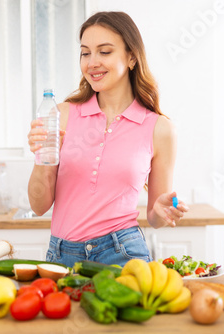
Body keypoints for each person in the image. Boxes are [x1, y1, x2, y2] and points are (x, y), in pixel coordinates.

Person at [27, 11, 188, 268]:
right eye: (85, 52)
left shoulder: (160, 129)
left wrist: (159, 210)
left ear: (132, 57)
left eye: (104, 52)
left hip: (123, 252)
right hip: (62, 255)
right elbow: (38, 206)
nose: (92, 62)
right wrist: (41, 158)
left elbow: (155, 217)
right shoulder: (62, 115)